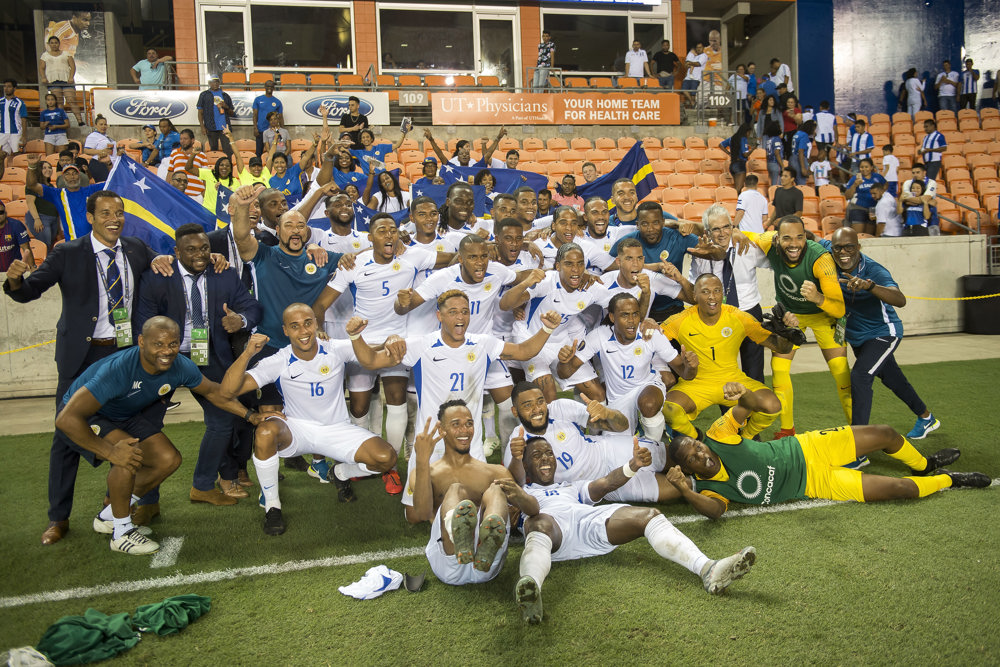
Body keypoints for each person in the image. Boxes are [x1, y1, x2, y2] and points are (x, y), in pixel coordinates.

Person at [3, 190, 173, 545]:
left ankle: (134, 504)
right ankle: (58, 517)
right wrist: (16, 279)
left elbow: (164, 261)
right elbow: (28, 291)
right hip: (82, 358)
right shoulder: (68, 252)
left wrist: (163, 259)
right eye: (106, 212)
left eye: (120, 212)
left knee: (138, 428)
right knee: (67, 434)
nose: (115, 218)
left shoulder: (136, 249)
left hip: (126, 357)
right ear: (91, 217)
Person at [54, 317, 264, 554]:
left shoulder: (180, 365)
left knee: (168, 458)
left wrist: (250, 416)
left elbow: (214, 392)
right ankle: (121, 533)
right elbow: (65, 419)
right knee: (126, 453)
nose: (167, 351)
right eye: (159, 344)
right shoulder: (118, 370)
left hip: (123, 415)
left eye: (173, 344)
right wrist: (111, 451)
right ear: (142, 341)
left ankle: (109, 517)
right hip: (85, 415)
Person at [503, 435, 757, 624]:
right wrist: (514, 497)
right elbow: (526, 508)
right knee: (539, 522)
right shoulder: (519, 492)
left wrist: (632, 465)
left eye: (549, 453)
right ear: (525, 466)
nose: (546, 458)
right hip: (551, 534)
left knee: (649, 516)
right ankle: (531, 589)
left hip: (588, 523)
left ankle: (707, 569)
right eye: (537, 456)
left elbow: (604, 484)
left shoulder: (571, 486)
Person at [666, 383, 988, 520]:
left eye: (698, 446)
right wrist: (683, 488)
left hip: (809, 447)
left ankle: (925, 463)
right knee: (900, 489)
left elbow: (751, 407)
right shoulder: (710, 490)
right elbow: (715, 512)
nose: (701, 453)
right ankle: (948, 479)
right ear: (691, 470)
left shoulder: (718, 435)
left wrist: (744, 395)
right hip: (816, 484)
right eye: (693, 457)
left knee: (886, 434)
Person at [221, 308, 398, 534]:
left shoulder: (335, 348)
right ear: (285, 331)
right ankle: (272, 506)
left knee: (387, 458)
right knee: (264, 432)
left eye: (307, 323)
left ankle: (340, 473)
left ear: (316, 324)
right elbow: (227, 390)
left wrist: (392, 340)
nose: (303, 331)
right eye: (295, 326)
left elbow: (377, 354)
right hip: (297, 430)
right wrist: (247, 354)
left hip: (337, 429)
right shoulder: (279, 360)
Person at [310, 214, 439, 488]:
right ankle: (359, 459)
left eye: (393, 230)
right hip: (362, 342)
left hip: (395, 340)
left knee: (396, 399)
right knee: (359, 407)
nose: (389, 235)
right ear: (370, 238)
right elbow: (320, 304)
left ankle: (389, 466)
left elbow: (452, 258)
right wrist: (319, 330)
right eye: (382, 230)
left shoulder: (412, 258)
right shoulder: (354, 264)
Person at [135, 224, 261, 503]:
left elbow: (252, 307)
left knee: (222, 419)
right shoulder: (158, 277)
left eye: (204, 248)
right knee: (145, 425)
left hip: (208, 355)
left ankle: (204, 485)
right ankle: (144, 501)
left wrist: (239, 320)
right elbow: (143, 323)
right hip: (165, 358)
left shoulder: (222, 273)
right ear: (176, 252)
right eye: (190, 249)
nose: (200, 254)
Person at [735, 216, 851, 439]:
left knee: (841, 373)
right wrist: (735, 232)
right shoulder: (769, 242)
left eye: (800, 237)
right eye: (787, 238)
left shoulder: (821, 259)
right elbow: (742, 233)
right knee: (779, 370)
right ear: (777, 238)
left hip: (823, 316)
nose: (794, 243)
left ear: (806, 236)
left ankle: (857, 431)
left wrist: (817, 297)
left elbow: (839, 309)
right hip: (790, 316)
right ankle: (787, 430)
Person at [822, 228, 940, 439]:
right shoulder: (829, 254)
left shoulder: (874, 270)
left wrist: (870, 286)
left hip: (883, 333)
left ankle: (857, 447)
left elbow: (899, 299)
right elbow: (810, 238)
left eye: (849, 247)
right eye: (837, 248)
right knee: (893, 379)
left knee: (860, 377)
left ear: (859, 247)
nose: (843, 252)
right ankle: (926, 417)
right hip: (857, 337)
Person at [661, 271, 797, 439]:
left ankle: (745, 440)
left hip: (732, 379)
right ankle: (697, 437)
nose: (712, 297)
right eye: (705, 292)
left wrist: (787, 334)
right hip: (697, 384)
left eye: (717, 291)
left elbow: (781, 348)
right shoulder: (680, 320)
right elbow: (653, 339)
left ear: (723, 293)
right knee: (668, 409)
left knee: (773, 404)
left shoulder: (737, 316)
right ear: (694, 295)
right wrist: (650, 326)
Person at [557, 292, 696, 440]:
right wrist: (564, 361)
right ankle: (635, 430)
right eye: (624, 315)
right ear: (612, 317)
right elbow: (564, 373)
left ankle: (654, 444)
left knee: (648, 404)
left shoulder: (650, 334)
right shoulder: (599, 336)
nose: (631, 321)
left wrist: (690, 367)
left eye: (635, 314)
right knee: (615, 446)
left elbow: (686, 374)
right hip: (618, 398)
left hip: (647, 384)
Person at [405, 401, 517, 584]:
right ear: (442, 429)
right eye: (456, 424)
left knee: (497, 489)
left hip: (486, 565)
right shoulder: (423, 472)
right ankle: (457, 533)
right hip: (449, 559)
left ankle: (485, 546)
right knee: (456, 488)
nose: (464, 430)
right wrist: (422, 459)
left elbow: (522, 511)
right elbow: (423, 513)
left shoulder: (496, 471)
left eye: (469, 424)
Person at [688, 205, 772, 383]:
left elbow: (775, 263)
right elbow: (693, 282)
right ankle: (729, 409)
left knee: (754, 371)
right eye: (716, 229)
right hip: (717, 316)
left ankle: (756, 408)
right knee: (722, 371)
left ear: (733, 227)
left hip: (748, 312)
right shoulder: (701, 252)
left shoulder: (747, 245)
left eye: (726, 227)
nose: (722, 233)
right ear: (708, 232)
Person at [609, 202, 705, 321]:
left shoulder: (677, 238)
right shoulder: (626, 243)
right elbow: (608, 267)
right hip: (634, 311)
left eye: (655, 223)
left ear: (663, 222)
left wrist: (679, 278)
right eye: (645, 224)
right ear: (637, 225)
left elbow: (695, 299)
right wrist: (655, 267)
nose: (650, 229)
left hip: (672, 308)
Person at [39, 37, 81, 125]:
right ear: (49, 44)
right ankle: (62, 121)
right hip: (53, 80)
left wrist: (71, 77)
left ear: (59, 43)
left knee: (71, 100)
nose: (54, 44)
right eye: (52, 43)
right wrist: (43, 77)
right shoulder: (45, 55)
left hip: (66, 80)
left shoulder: (66, 53)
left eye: (56, 43)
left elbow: (72, 66)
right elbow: (42, 68)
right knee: (59, 102)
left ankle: (80, 121)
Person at [844, 158, 885, 236]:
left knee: (869, 235)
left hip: (873, 208)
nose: (864, 169)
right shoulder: (855, 178)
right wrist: (855, 185)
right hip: (858, 207)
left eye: (866, 167)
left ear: (872, 167)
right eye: (862, 167)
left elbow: (885, 186)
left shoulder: (878, 177)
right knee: (858, 235)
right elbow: (847, 196)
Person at [26, 160, 62, 248]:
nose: (48, 170)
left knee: (51, 245)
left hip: (53, 218)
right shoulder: (33, 185)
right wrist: (37, 219)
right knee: (45, 245)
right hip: (41, 217)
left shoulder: (51, 186)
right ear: (39, 170)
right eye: (44, 168)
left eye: (50, 167)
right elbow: (30, 202)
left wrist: (58, 226)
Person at [167, 129, 209, 201]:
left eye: (185, 139)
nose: (182, 141)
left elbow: (206, 177)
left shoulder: (202, 155)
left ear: (193, 140)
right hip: (178, 194)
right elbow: (170, 173)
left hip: (196, 196)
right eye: (181, 139)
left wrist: (203, 195)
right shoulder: (174, 153)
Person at [197, 76, 234, 156]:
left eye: (217, 81)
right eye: (213, 81)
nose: (215, 83)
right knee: (213, 150)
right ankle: (215, 166)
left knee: (228, 150)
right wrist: (202, 126)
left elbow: (232, 113)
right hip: (211, 127)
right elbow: (200, 112)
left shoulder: (225, 95)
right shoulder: (204, 95)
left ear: (219, 83)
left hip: (224, 127)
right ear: (209, 83)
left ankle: (229, 166)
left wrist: (226, 106)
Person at [719, 121, 755, 193]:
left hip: (732, 165)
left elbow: (721, 145)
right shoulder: (743, 139)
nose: (749, 134)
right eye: (749, 132)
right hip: (740, 165)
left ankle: (736, 202)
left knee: (738, 188)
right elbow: (745, 154)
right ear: (746, 132)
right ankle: (735, 202)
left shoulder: (732, 138)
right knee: (738, 189)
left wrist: (729, 153)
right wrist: (753, 149)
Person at [252, 80, 283, 158]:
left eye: (271, 86)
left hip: (273, 132)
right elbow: (255, 115)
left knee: (275, 151)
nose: (270, 88)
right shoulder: (258, 99)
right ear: (265, 87)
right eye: (268, 86)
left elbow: (281, 117)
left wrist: (281, 131)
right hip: (260, 130)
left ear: (273, 88)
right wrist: (255, 128)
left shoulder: (277, 102)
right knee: (259, 152)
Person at [0, 201, 34, 272]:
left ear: (5, 213)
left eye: (1, 212)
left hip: (15, 271)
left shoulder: (16, 225)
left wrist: (32, 267)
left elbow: (26, 248)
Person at [0, 80, 28, 167]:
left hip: (16, 133)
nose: (6, 88)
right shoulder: (0, 101)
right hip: (2, 132)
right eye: (5, 86)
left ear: (14, 88)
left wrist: (24, 135)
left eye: (9, 86)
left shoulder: (20, 103)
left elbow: (24, 119)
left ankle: (19, 172)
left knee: (17, 155)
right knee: (2, 155)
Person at [761, 119, 784, 195]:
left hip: (769, 163)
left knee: (772, 183)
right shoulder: (777, 139)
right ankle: (774, 199)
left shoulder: (769, 140)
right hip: (775, 164)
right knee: (776, 185)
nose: (781, 129)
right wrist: (782, 166)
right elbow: (777, 153)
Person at [790, 120, 815, 187]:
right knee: (801, 184)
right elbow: (801, 151)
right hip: (799, 160)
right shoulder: (804, 135)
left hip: (792, 158)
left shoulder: (797, 133)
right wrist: (803, 168)